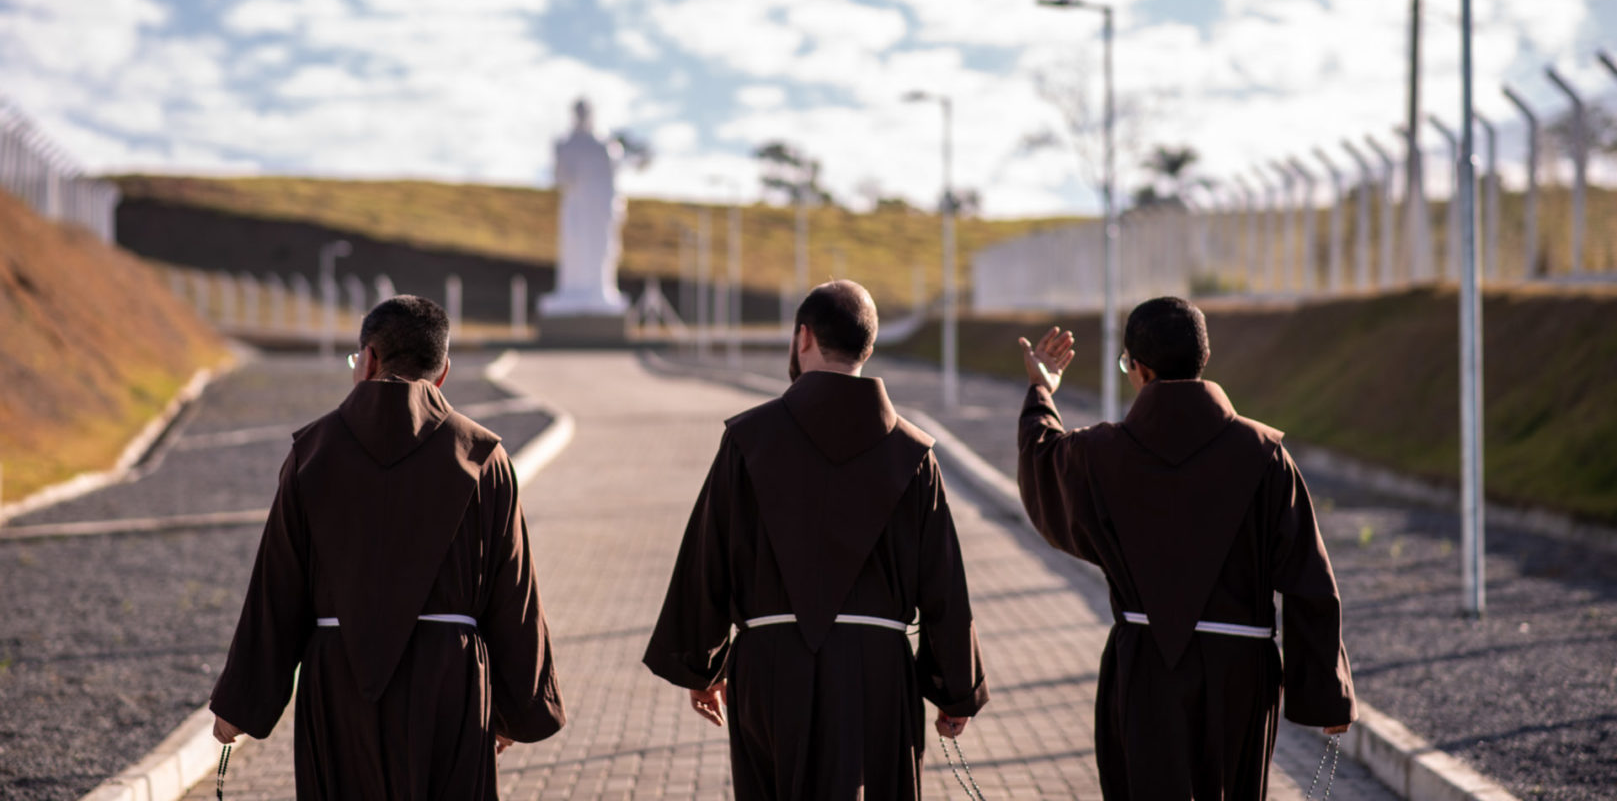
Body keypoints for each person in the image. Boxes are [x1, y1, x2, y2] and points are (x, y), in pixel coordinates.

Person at [644, 279, 988, 800]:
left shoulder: (748, 439)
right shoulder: (914, 455)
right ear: (867, 347)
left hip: (771, 664)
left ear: (803, 337)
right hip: (878, 672)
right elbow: (943, 581)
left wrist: (701, 662)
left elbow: (708, 555)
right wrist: (955, 688)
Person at [209, 294, 565, 798]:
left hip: (339, 685)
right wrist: (515, 707)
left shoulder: (312, 452)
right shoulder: (483, 456)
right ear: (442, 373)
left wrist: (242, 701)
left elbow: (278, 585)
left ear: (369, 360)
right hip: (450, 684)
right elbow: (514, 591)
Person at [1016, 296, 1354, 800]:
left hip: (1145, 668)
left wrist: (1042, 389)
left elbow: (1044, 461)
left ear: (1140, 370)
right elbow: (1310, 580)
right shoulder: (1265, 457)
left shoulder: (1099, 452)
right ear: (1205, 358)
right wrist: (1324, 696)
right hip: (1241, 672)